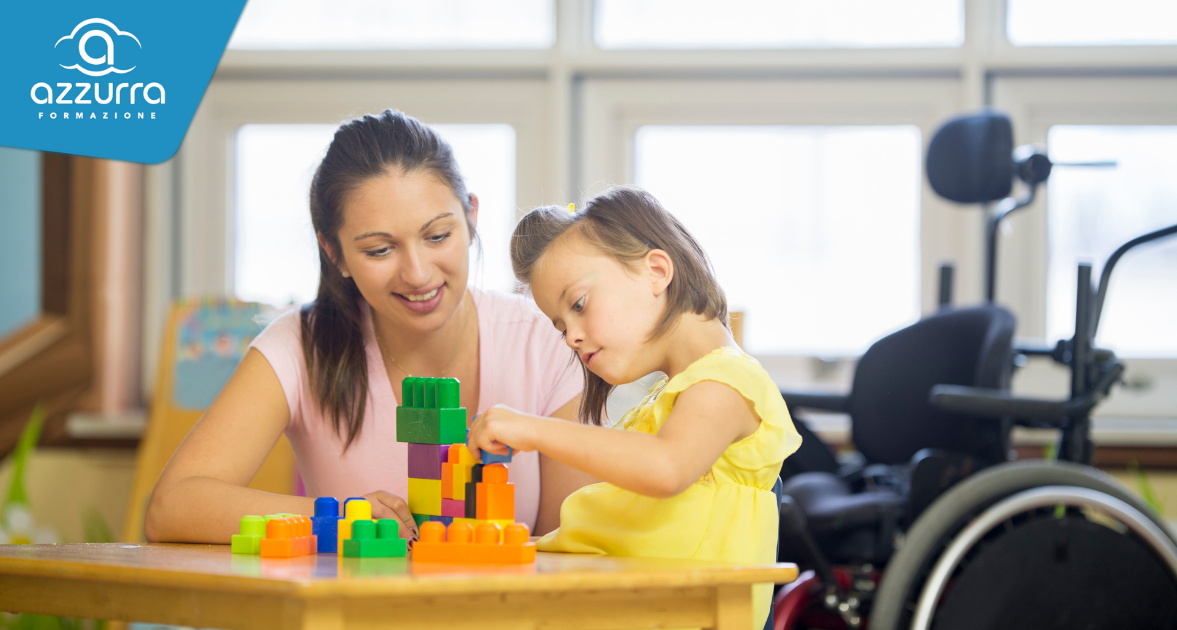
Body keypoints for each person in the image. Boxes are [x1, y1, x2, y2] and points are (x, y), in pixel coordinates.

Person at [145, 110, 591, 543]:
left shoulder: (546, 341)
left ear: (471, 217)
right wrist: (344, 516)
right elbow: (172, 507)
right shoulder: (300, 347)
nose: (417, 273)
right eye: (380, 250)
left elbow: (574, 545)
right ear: (333, 251)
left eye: (437, 236)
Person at [468, 186, 801, 629]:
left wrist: (532, 429)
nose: (570, 337)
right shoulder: (662, 402)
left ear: (656, 271)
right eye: (560, 325)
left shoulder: (728, 381)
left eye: (580, 304)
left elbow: (666, 468)